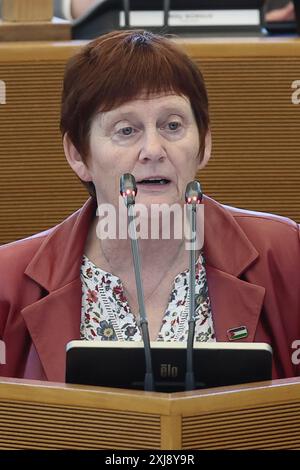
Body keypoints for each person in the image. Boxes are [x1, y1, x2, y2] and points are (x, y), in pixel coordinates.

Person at [0, 30, 299, 384]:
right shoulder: (8, 282)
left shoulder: (287, 255)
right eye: (126, 130)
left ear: (203, 144)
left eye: (172, 125)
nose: (153, 150)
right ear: (78, 155)